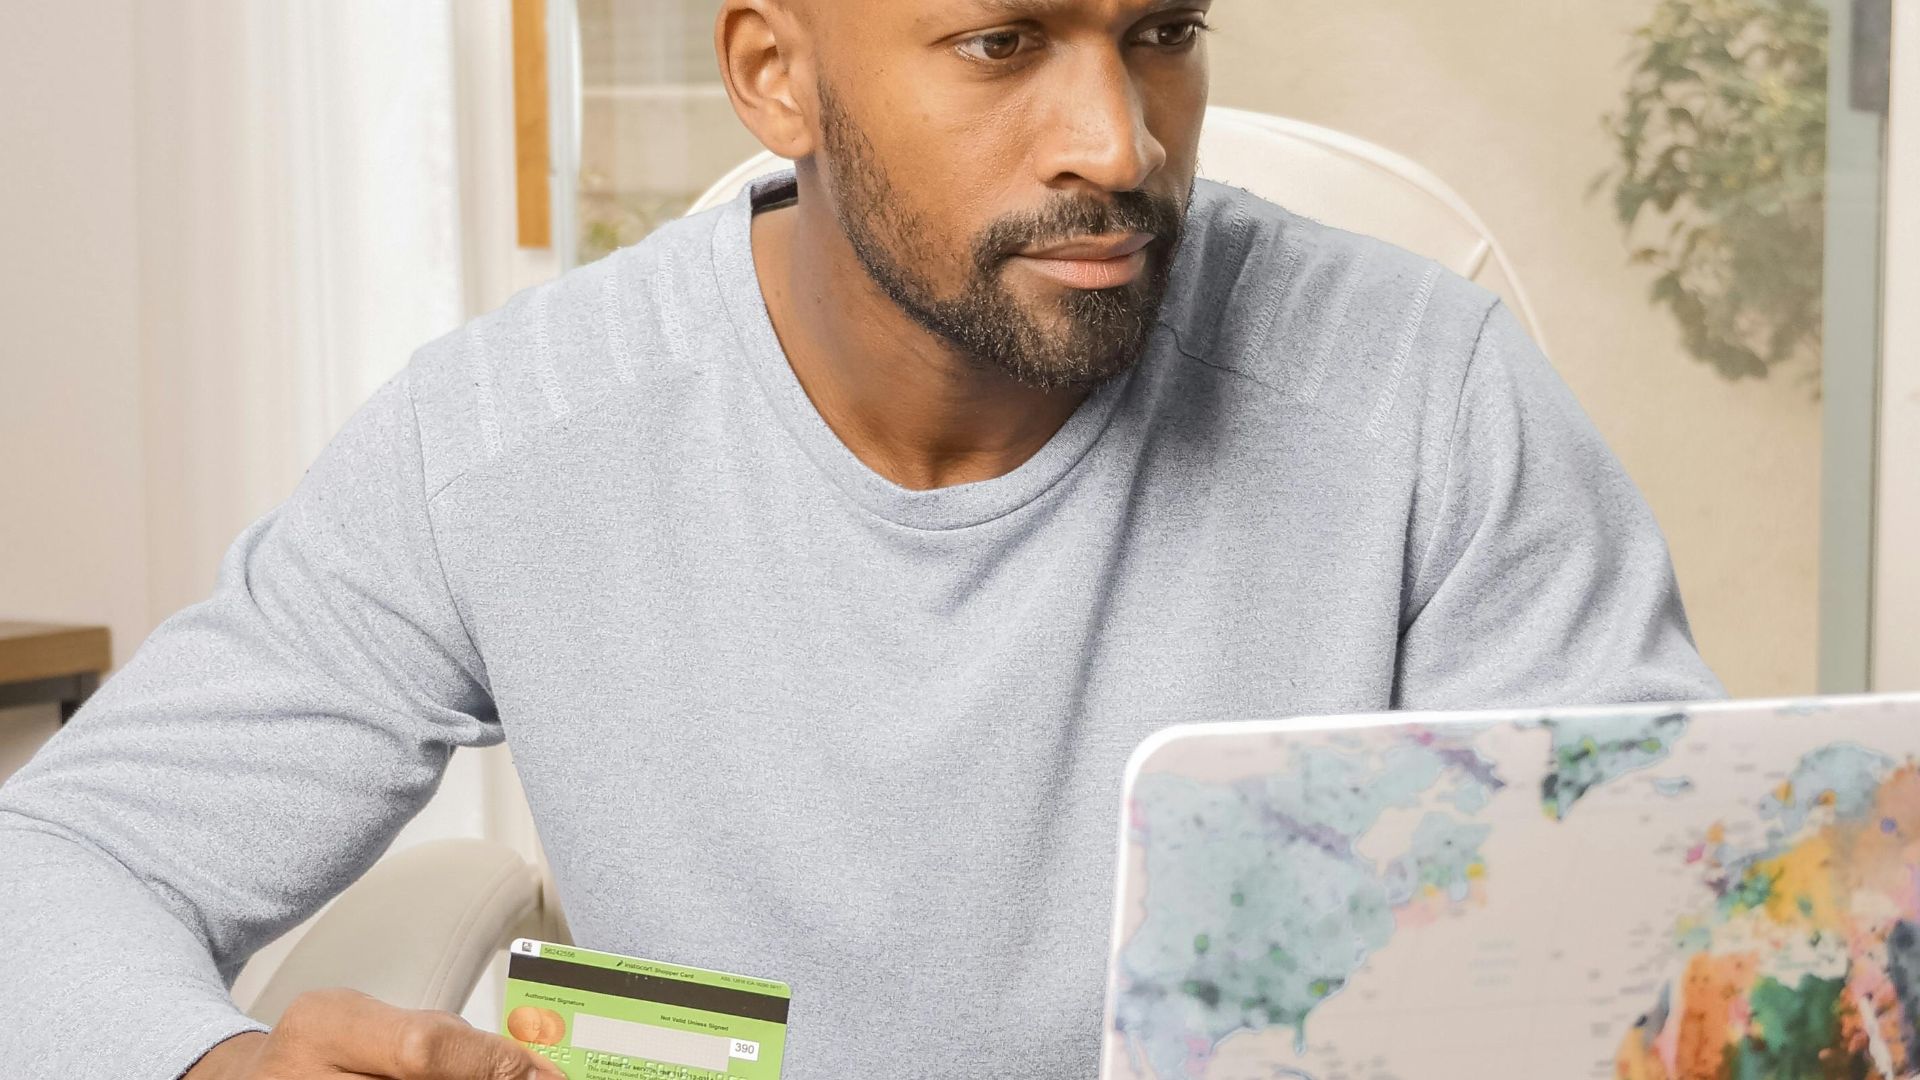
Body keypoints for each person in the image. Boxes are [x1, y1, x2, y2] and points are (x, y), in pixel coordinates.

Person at [0, 0, 1722, 1077]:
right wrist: (203, 1065)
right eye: (1003, 43)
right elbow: (54, 873)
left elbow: (1681, 949)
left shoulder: (1427, 401)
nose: (1118, 141)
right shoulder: (507, 437)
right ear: (775, 74)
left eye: (1165, 32)